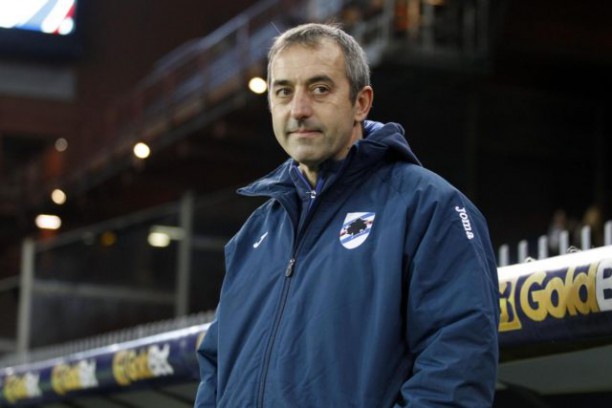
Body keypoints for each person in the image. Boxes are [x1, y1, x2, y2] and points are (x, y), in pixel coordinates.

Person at [195, 23, 500, 407]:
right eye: (284, 91)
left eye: (320, 89)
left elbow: (456, 368)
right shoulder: (254, 234)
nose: (299, 109)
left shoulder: (429, 208)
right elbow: (216, 368)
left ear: (361, 102)